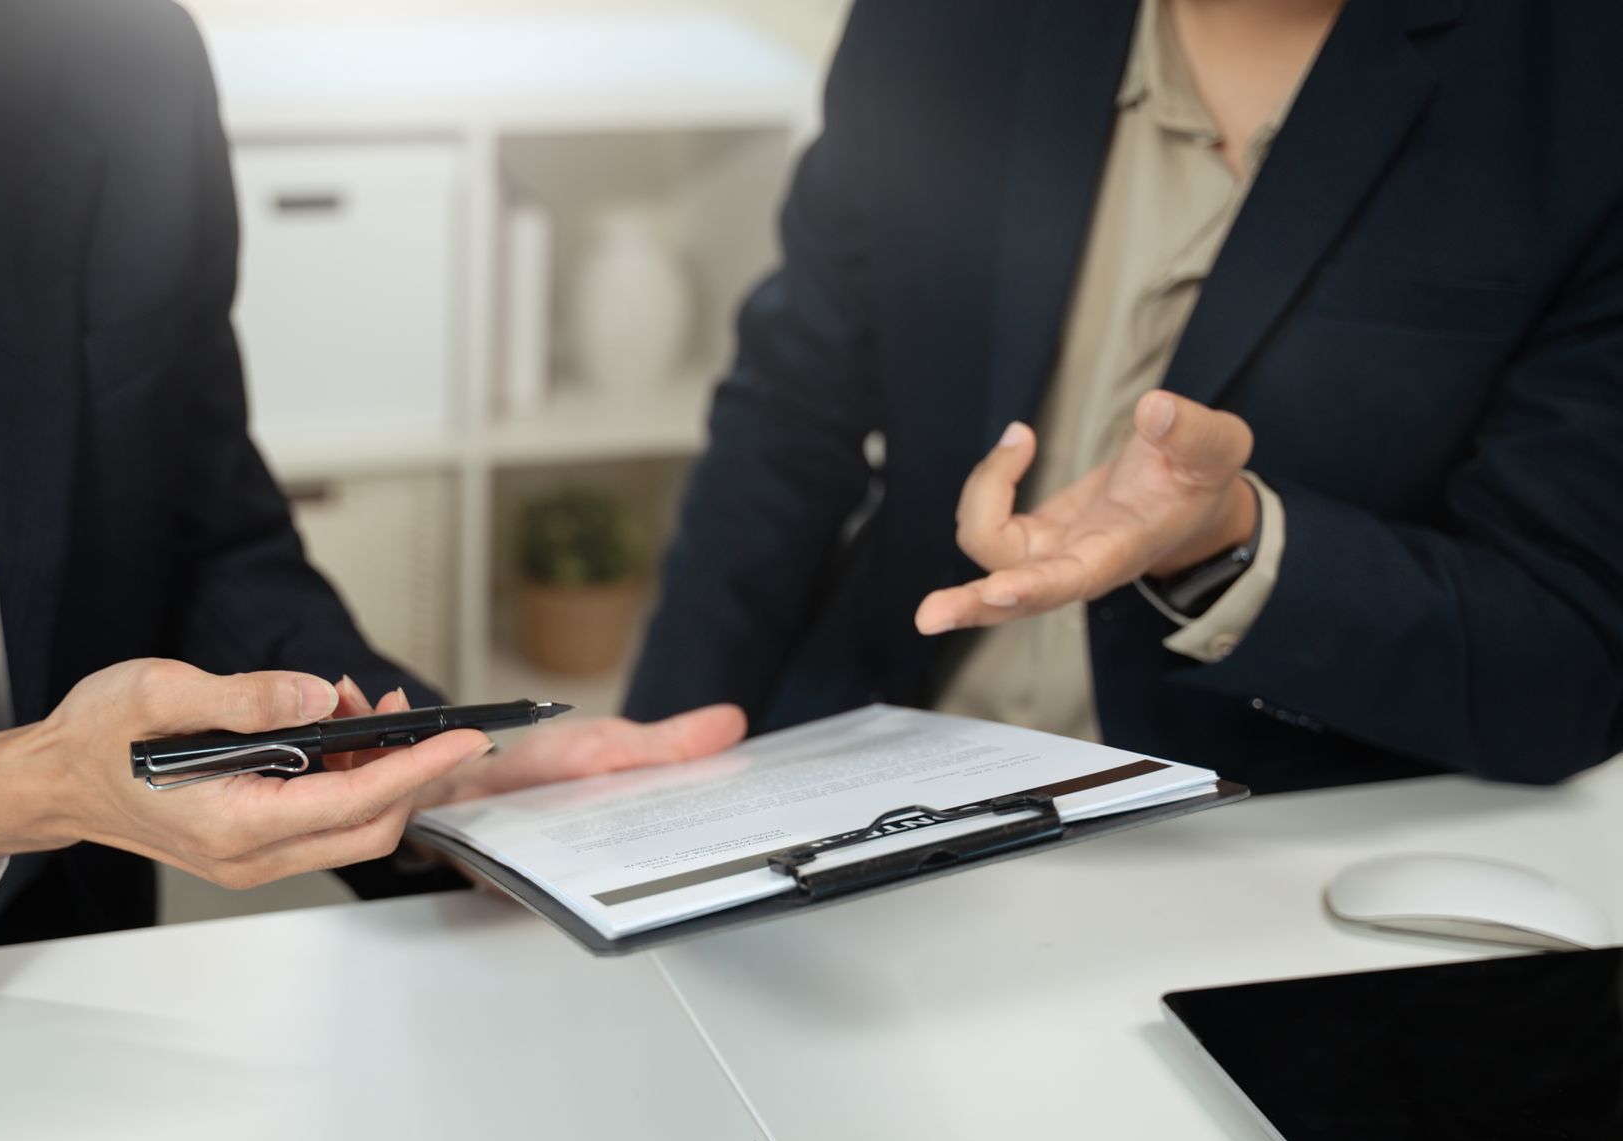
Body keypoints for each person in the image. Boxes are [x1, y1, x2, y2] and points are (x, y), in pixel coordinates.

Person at [0, 0, 743, 1026]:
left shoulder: (129, 56)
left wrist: (436, 782)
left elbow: (202, 531)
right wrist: (22, 792)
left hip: (90, 988)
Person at [627, 0, 1623, 794]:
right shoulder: (944, 24)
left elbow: (1568, 664)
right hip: (878, 763)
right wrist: (639, 772)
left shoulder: (1581, 85)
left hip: (1271, 844)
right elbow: (788, 421)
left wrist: (1234, 545)